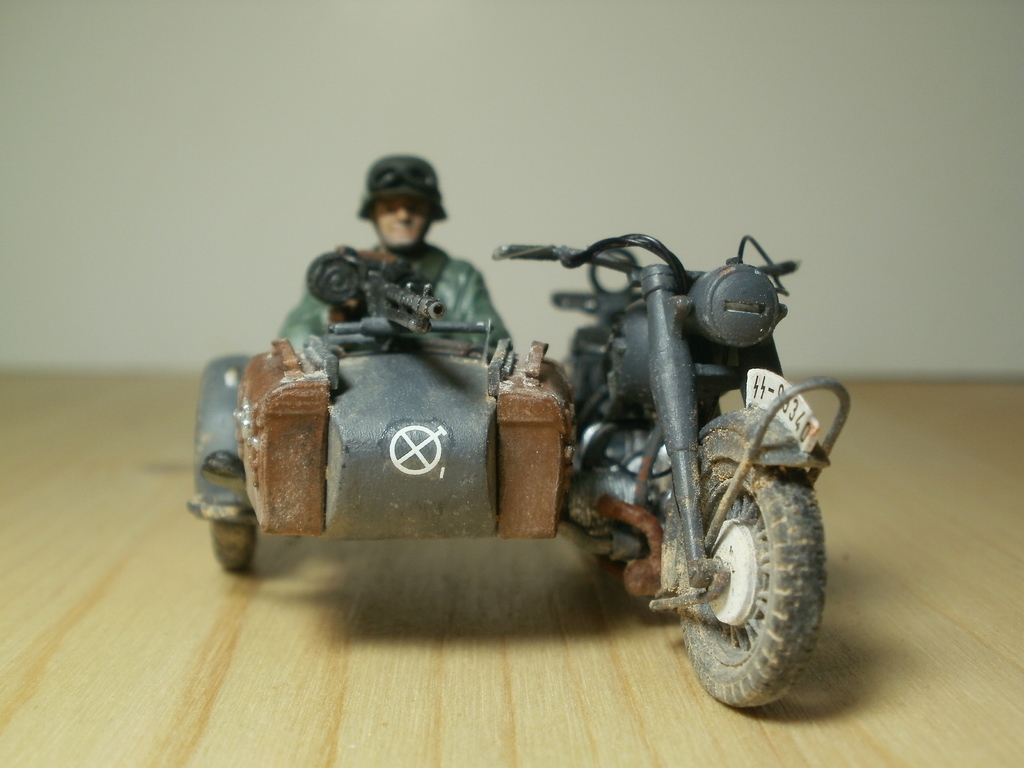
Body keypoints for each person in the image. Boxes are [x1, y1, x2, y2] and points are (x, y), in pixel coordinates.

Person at [280, 155, 509, 346]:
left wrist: (431, 334)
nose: (403, 216)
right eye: (390, 208)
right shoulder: (346, 271)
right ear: (373, 214)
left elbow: (493, 338)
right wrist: (336, 316)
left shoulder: (460, 276)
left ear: (430, 214)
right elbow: (294, 335)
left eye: (414, 208)